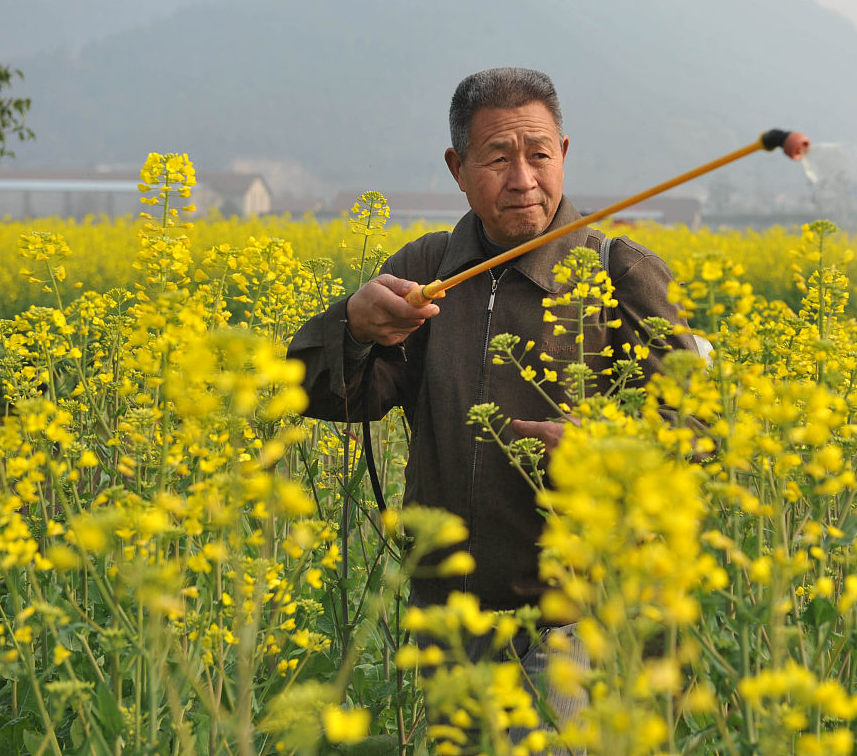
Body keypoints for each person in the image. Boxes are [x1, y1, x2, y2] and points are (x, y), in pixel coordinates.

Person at [287, 66, 695, 745]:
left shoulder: (618, 272)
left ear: (564, 154)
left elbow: (700, 432)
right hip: (452, 620)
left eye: (539, 154)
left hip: (578, 620)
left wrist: (610, 456)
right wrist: (353, 327)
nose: (523, 179)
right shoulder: (427, 271)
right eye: (498, 158)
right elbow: (321, 393)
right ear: (457, 168)